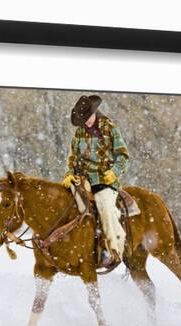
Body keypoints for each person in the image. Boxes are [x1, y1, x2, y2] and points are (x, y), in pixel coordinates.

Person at [62, 94, 130, 266]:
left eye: (88, 118)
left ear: (95, 112)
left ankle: (113, 247)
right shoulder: (79, 132)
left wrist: (114, 172)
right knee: (67, 201)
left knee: (103, 204)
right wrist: (70, 173)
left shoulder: (109, 128)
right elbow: (73, 157)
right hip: (83, 178)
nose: (86, 122)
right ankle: (76, 244)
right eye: (83, 120)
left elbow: (123, 155)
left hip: (105, 180)